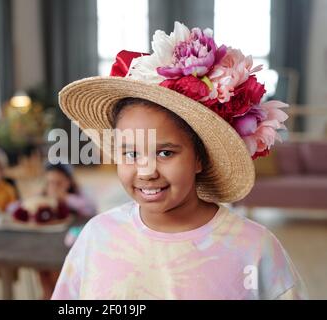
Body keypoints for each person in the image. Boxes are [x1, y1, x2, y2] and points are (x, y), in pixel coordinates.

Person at [51, 21, 307, 299]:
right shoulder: (97, 237)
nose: (146, 172)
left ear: (199, 157)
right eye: (131, 153)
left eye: (165, 153)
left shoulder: (254, 249)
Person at [39, 162, 97, 299]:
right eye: (49, 183)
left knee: (59, 272)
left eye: (58, 183)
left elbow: (91, 208)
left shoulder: (78, 196)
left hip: (70, 248)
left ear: (68, 182)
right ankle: (48, 294)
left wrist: (65, 197)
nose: (53, 188)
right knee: (43, 269)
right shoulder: (44, 198)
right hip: (48, 246)